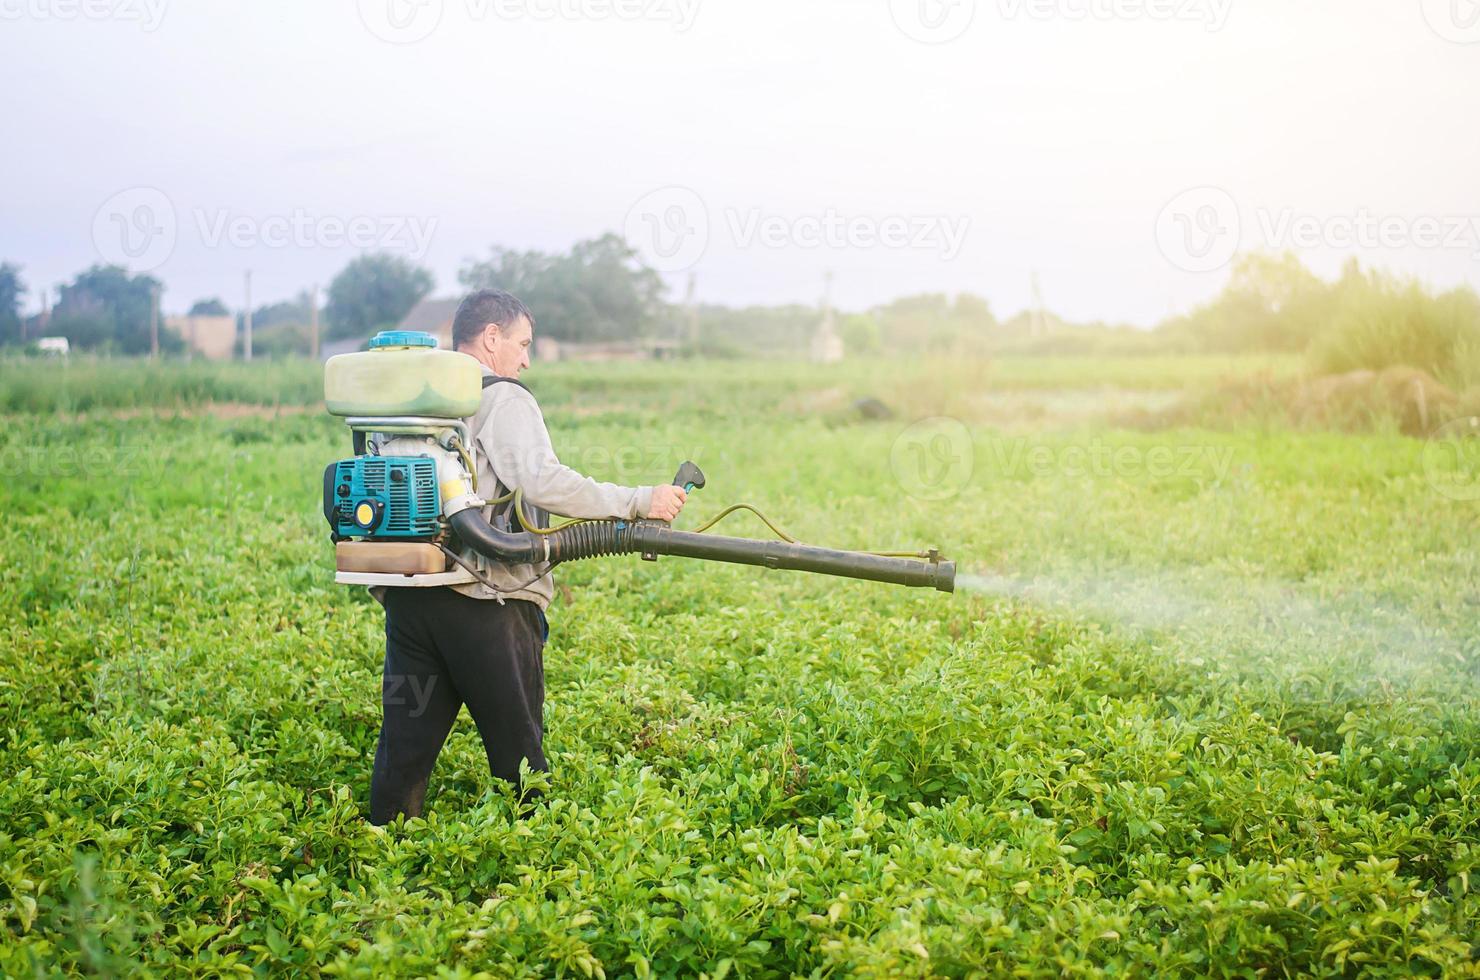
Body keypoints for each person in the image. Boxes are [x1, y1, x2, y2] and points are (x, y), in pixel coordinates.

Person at [369, 288, 687, 824]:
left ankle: (380, 858)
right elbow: (540, 480)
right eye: (522, 343)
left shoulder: (410, 403)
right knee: (521, 763)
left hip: (414, 599)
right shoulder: (502, 396)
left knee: (403, 752)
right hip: (486, 603)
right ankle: (537, 876)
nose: (525, 358)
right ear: (491, 338)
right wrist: (637, 501)